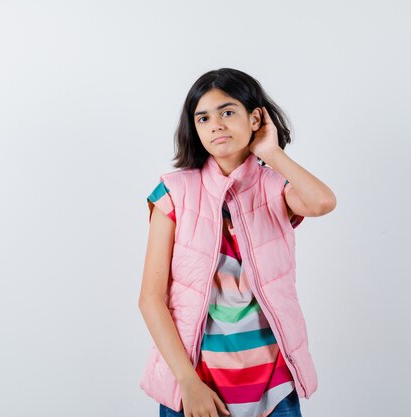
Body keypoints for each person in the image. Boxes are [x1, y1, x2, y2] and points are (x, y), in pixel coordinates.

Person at [138, 68, 336, 417]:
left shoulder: (276, 188)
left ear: (255, 117)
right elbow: (151, 299)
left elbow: (322, 202)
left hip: (273, 386)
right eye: (203, 117)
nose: (215, 124)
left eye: (227, 112)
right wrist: (188, 383)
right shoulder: (173, 193)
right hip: (197, 388)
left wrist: (271, 154)